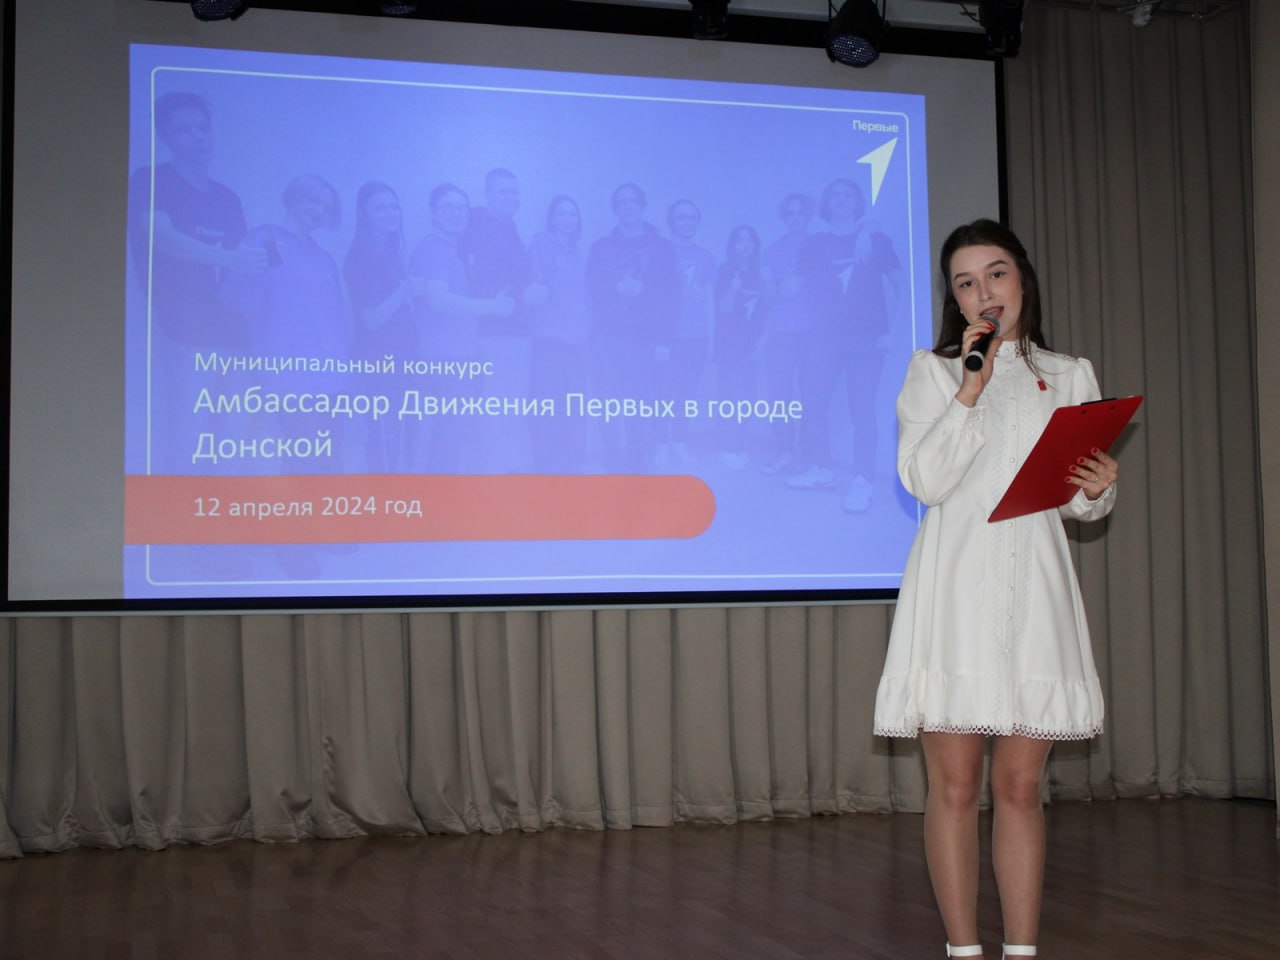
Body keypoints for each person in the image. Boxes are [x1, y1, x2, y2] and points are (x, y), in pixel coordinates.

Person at [873, 219, 1120, 960]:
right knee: (954, 788)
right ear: (953, 299)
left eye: (996, 274)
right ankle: (962, 951)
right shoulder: (933, 372)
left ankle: (1021, 951)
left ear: (1022, 280)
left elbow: (1075, 502)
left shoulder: (1070, 375)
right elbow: (925, 480)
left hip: (1035, 588)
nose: (984, 291)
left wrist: (1099, 489)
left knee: (1019, 789)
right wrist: (969, 393)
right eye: (966, 282)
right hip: (954, 589)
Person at [787, 178, 903, 512]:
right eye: (835, 195)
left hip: (867, 339)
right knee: (813, 403)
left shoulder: (875, 239)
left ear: (856, 203)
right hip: (824, 337)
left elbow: (899, 286)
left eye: (847, 195)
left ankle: (862, 481)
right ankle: (821, 470)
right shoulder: (815, 243)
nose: (840, 200)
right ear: (827, 204)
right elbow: (794, 286)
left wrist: (891, 332)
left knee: (861, 409)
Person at [343, 180, 420, 472]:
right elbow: (372, 319)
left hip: (401, 361)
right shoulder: (362, 257)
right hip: (381, 364)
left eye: (393, 207)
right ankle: (385, 496)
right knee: (385, 439)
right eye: (380, 208)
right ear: (363, 214)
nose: (391, 213)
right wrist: (406, 290)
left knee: (400, 436)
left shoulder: (391, 252)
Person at [712, 224, 773, 470]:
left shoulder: (761, 273)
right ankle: (727, 448)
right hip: (728, 345)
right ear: (732, 245)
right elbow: (724, 309)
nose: (745, 246)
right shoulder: (725, 271)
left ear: (755, 246)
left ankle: (739, 444)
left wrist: (763, 340)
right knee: (730, 396)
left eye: (749, 241)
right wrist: (733, 289)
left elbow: (769, 307)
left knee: (748, 396)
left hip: (752, 346)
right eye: (740, 241)